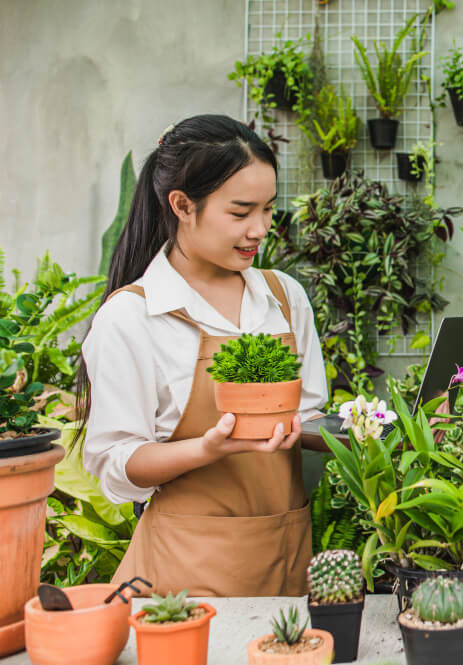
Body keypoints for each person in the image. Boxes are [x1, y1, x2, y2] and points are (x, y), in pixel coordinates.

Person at [76, 114, 330, 596]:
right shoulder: (133, 318)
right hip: (182, 577)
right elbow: (116, 461)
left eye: (269, 210)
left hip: (285, 560)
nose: (260, 229)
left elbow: (307, 413)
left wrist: (371, 432)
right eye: (240, 212)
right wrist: (207, 449)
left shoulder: (283, 296)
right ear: (182, 205)